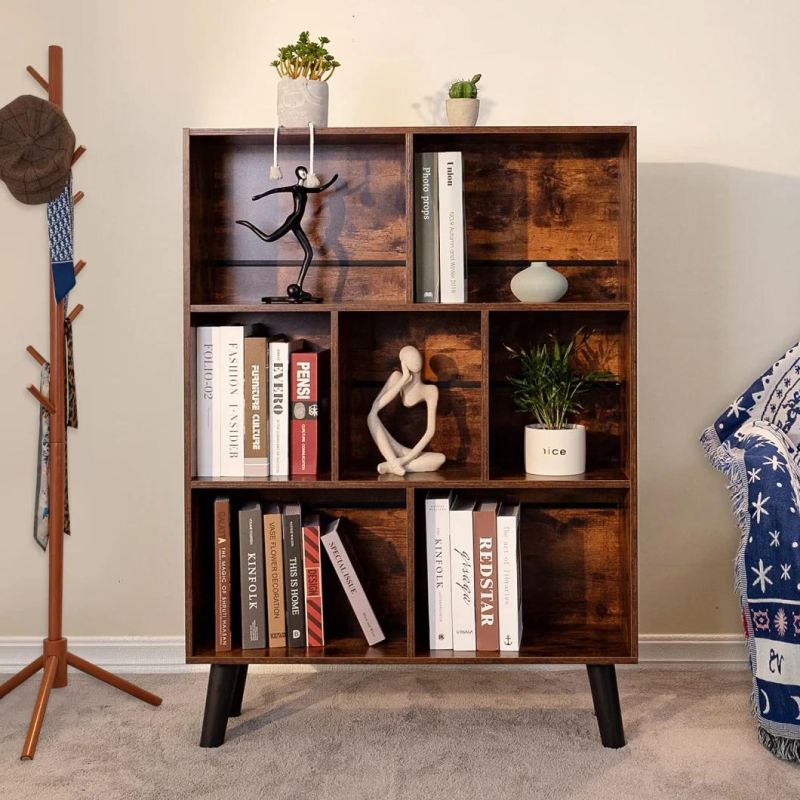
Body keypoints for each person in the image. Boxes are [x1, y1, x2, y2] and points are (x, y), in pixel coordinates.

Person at [236, 166, 338, 302]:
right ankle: (248, 224)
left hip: (297, 223)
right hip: (292, 220)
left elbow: (320, 189)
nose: (304, 174)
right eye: (302, 172)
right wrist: (260, 196)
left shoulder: (304, 189)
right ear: (298, 174)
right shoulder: (295, 188)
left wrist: (334, 180)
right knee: (269, 238)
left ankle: (299, 286)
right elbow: (276, 190)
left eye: (305, 172)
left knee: (309, 253)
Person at [367, 345, 446, 476]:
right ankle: (394, 463)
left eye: (416, 356)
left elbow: (430, 431)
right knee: (371, 417)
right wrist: (403, 379)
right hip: (392, 446)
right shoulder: (396, 377)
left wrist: (404, 459)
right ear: (403, 362)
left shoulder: (431, 390)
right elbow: (376, 407)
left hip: (408, 453)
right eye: (410, 357)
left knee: (440, 459)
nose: (416, 360)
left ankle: (392, 465)